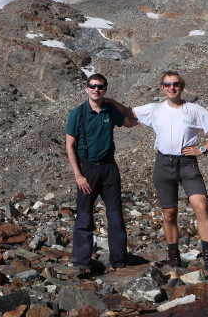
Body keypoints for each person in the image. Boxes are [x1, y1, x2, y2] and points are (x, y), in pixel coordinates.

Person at [110, 70, 208, 277]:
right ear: (162, 87)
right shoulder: (154, 109)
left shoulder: (194, 110)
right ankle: (174, 259)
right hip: (163, 163)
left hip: (187, 164)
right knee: (169, 214)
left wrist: (202, 149)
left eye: (175, 84)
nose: (171, 87)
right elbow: (129, 112)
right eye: (167, 84)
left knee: (201, 207)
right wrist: (108, 100)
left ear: (182, 86)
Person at [65, 73, 138, 275]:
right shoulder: (78, 113)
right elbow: (69, 146)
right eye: (93, 86)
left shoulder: (109, 110)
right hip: (87, 169)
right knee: (85, 216)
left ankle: (119, 261)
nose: (96, 90)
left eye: (100, 87)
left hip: (109, 168)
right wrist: (78, 175)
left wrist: (115, 102)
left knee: (115, 216)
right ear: (86, 88)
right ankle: (82, 263)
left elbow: (130, 120)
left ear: (105, 90)